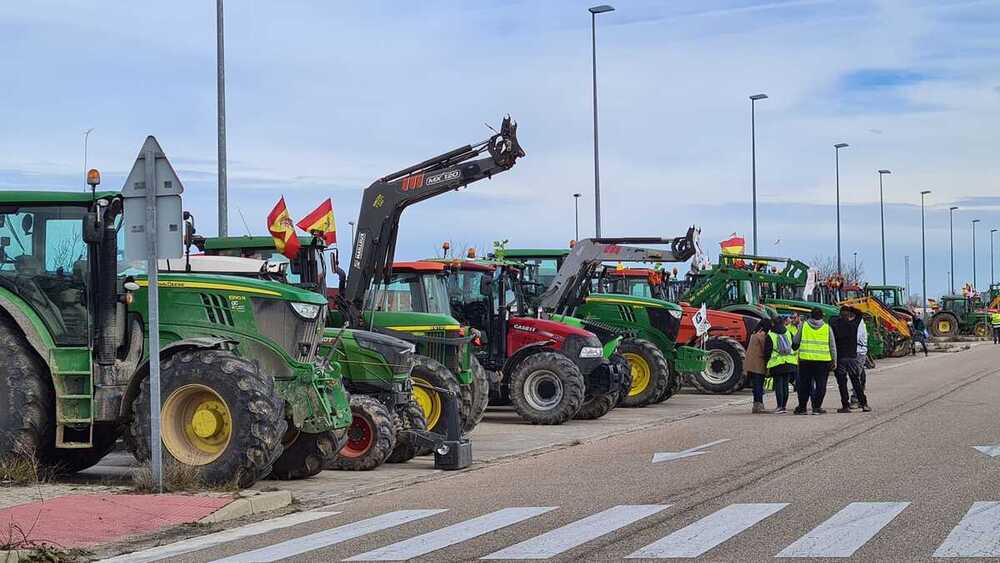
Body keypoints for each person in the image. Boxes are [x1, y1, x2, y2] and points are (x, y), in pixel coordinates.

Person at [792, 307, 837, 415]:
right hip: (823, 362)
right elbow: (832, 346)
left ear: (811, 316)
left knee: (804, 385)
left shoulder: (804, 325)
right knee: (821, 385)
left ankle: (802, 408)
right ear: (822, 317)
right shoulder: (827, 328)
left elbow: (796, 340)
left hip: (805, 360)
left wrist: (794, 346)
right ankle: (817, 407)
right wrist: (834, 361)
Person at [831, 307, 869, 413]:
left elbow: (831, 319)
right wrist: (851, 307)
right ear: (849, 315)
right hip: (852, 358)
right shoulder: (854, 325)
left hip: (840, 358)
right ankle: (864, 403)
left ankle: (845, 405)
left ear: (840, 315)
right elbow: (860, 314)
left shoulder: (835, 325)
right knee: (856, 380)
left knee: (842, 383)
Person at [762, 316, 796, 413]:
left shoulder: (771, 335)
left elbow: (767, 352)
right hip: (790, 362)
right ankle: (784, 406)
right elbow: (794, 345)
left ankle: (779, 406)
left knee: (778, 385)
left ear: (773, 324)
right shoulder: (788, 333)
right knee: (785, 385)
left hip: (777, 363)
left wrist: (766, 364)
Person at [744, 318, 772, 414]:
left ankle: (756, 405)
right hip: (758, 363)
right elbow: (766, 349)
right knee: (758, 385)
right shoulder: (762, 336)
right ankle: (759, 405)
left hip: (751, 363)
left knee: (756, 385)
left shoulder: (754, 333)